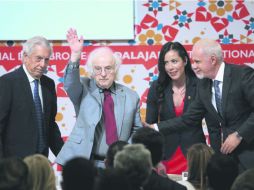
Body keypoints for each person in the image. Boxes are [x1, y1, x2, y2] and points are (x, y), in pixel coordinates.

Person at [144, 39, 254, 172]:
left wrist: (238, 135)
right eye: (193, 62)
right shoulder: (204, 85)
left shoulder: (243, 75)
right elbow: (189, 118)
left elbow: (217, 125)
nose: (194, 66)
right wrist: (154, 127)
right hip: (228, 155)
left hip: (249, 150)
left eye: (197, 62)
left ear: (213, 60)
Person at [56, 28, 142, 166]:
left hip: (118, 165)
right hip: (86, 164)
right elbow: (70, 84)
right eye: (98, 69)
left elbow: (137, 131)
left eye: (108, 68)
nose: (103, 74)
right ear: (91, 70)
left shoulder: (131, 97)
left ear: (116, 69)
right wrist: (75, 55)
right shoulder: (83, 88)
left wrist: (125, 155)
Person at [146, 41, 206, 174]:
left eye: (174, 61)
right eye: (166, 63)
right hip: (165, 157)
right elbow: (150, 128)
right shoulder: (157, 87)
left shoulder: (200, 85)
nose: (170, 67)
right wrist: (153, 160)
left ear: (185, 61)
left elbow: (195, 120)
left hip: (195, 155)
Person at [0, 36, 64, 158]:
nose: (42, 64)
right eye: (38, 59)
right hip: (14, 165)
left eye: (46, 60)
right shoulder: (7, 83)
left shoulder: (49, 84)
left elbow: (50, 125)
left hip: (41, 162)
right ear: (25, 57)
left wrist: (66, 159)